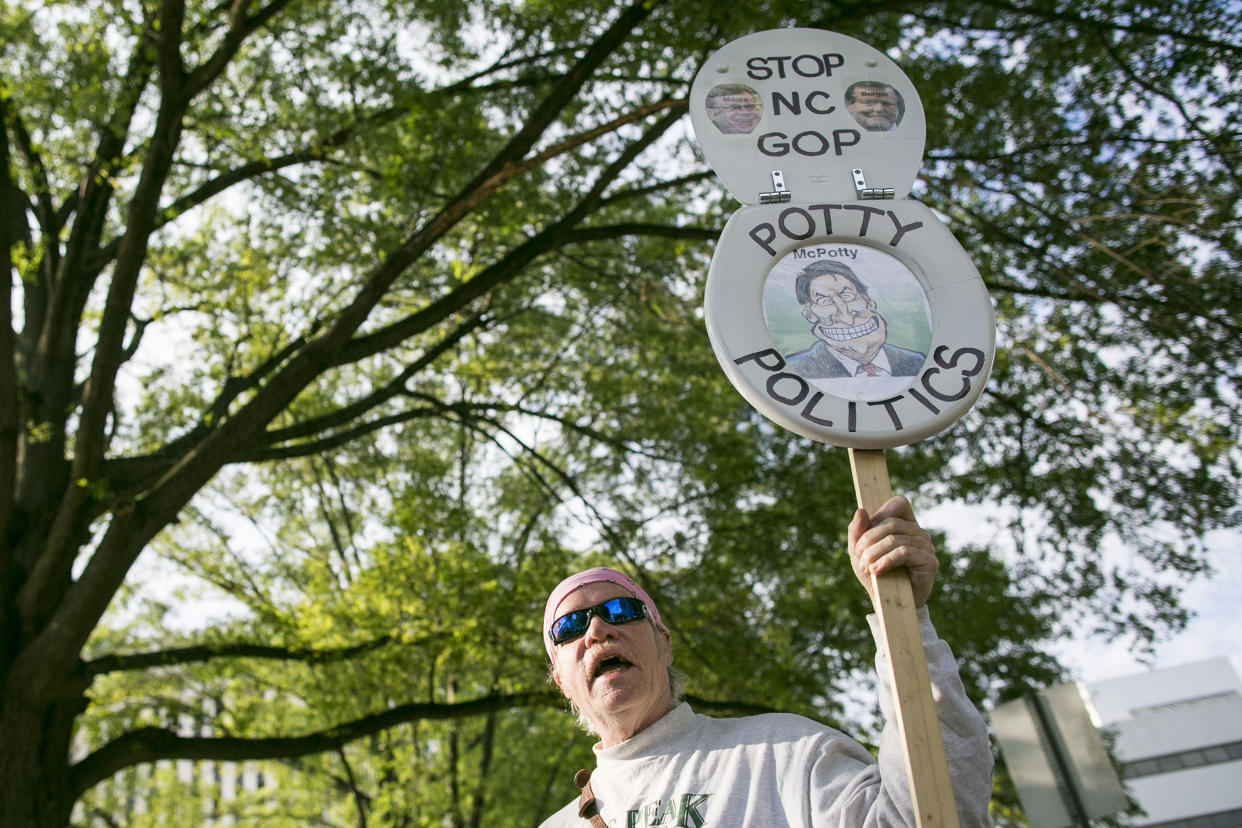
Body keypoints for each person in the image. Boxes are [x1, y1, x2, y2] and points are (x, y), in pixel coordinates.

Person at [538, 496, 993, 827]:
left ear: (665, 645)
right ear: (561, 681)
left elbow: (926, 816)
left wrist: (903, 619)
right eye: (570, 628)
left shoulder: (787, 753)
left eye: (621, 611)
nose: (598, 630)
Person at [784, 259, 926, 381]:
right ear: (809, 314)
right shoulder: (793, 371)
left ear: (869, 301)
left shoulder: (919, 363)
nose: (846, 317)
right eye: (824, 301)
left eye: (847, 295)